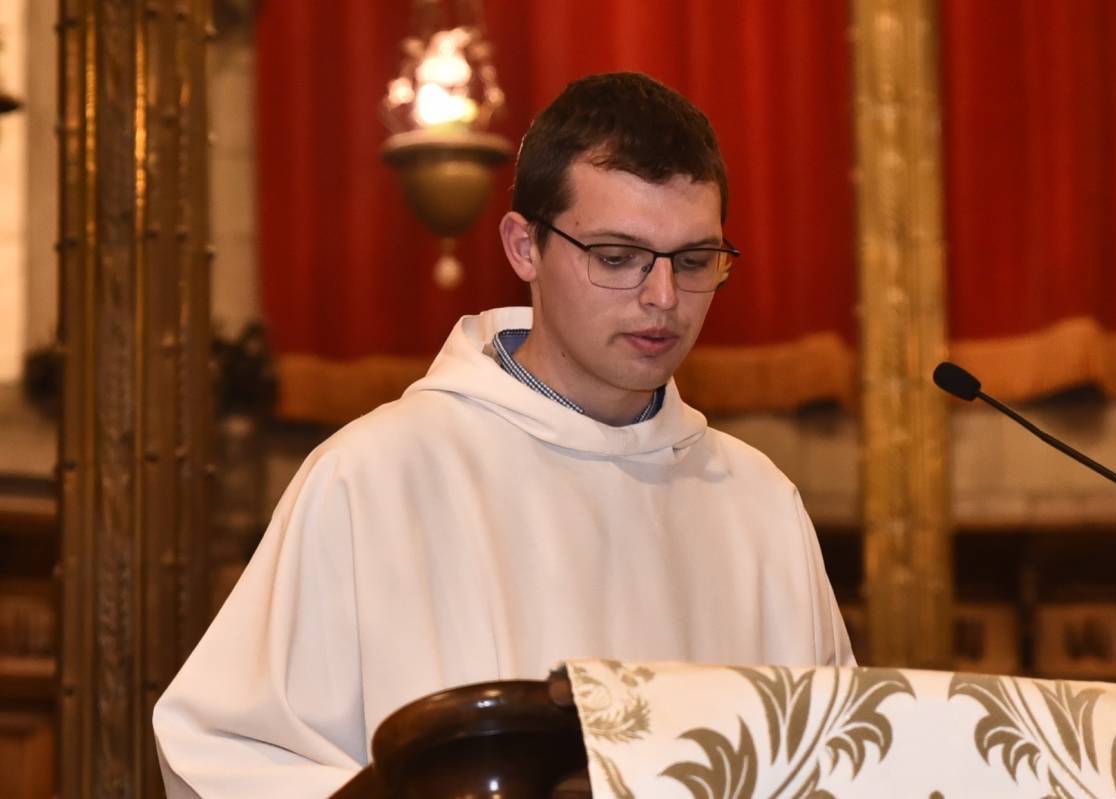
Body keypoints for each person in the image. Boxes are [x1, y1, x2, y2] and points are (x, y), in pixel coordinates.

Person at [153, 71, 854, 797]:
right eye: (617, 257)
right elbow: (230, 758)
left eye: (695, 260)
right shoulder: (374, 476)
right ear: (524, 247)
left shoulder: (760, 504)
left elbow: (841, 763)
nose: (663, 297)